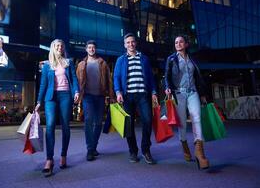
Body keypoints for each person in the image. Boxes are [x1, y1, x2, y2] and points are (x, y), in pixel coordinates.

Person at [35, 39, 79, 177]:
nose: (60, 47)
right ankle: (49, 159)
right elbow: (43, 84)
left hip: (65, 95)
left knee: (66, 125)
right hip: (50, 98)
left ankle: (63, 155)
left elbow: (74, 78)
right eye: (57, 45)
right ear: (53, 48)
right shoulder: (47, 65)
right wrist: (38, 101)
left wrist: (76, 91)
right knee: (50, 125)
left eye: (61, 46)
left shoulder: (68, 62)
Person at [164, 35, 209, 169]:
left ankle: (200, 153)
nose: (178, 44)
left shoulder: (193, 59)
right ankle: (184, 144)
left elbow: (198, 77)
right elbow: (166, 76)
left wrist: (202, 94)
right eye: (176, 42)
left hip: (193, 92)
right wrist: (167, 88)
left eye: (181, 41)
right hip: (179, 93)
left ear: (186, 44)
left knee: (196, 118)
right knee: (182, 123)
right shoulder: (171, 59)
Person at [113, 33, 158, 164]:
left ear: (135, 43)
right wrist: (118, 92)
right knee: (129, 125)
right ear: (124, 45)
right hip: (127, 96)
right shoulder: (121, 60)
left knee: (148, 120)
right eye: (128, 42)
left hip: (143, 95)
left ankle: (146, 149)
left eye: (132, 42)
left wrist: (154, 91)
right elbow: (116, 77)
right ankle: (133, 151)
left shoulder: (144, 58)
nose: (130, 44)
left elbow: (150, 77)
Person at [76, 40, 115, 161]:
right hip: (87, 96)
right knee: (88, 120)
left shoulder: (102, 63)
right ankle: (90, 149)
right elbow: (77, 81)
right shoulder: (81, 64)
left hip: (100, 96)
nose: (91, 49)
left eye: (93, 47)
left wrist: (112, 96)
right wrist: (77, 94)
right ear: (86, 49)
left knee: (98, 123)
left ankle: (93, 147)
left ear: (95, 49)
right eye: (89, 47)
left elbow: (109, 80)